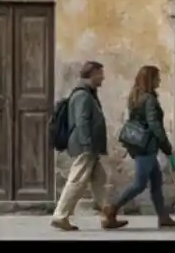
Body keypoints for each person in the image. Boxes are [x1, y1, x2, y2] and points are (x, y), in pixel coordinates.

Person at [51, 61, 127, 232]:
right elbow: (81, 121)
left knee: (99, 180)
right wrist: (86, 145)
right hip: (85, 146)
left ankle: (108, 216)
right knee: (77, 179)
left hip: (89, 146)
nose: (103, 77)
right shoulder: (82, 96)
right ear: (92, 74)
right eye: (100, 74)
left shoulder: (88, 94)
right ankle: (60, 215)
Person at [107, 65, 175, 229]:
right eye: (157, 77)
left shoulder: (136, 95)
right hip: (145, 147)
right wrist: (167, 149)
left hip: (138, 144)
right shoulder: (149, 99)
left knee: (156, 181)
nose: (160, 80)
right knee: (139, 184)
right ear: (150, 79)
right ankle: (111, 209)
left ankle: (163, 216)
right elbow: (155, 126)